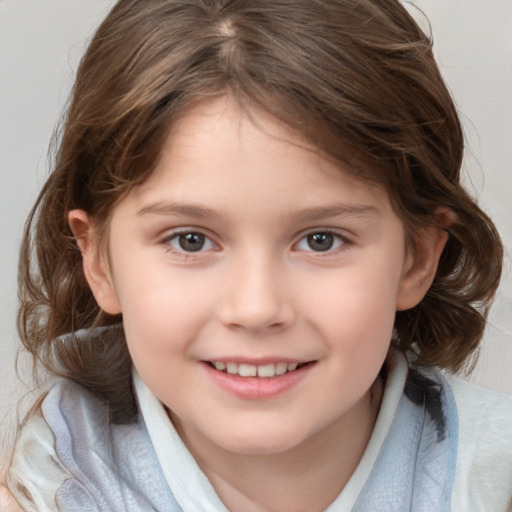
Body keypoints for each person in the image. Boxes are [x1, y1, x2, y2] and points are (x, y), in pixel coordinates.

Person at [1, 0, 511, 510]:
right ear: (99, 262)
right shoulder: (50, 482)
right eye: (190, 240)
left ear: (416, 258)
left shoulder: (493, 476)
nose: (256, 308)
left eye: (321, 240)